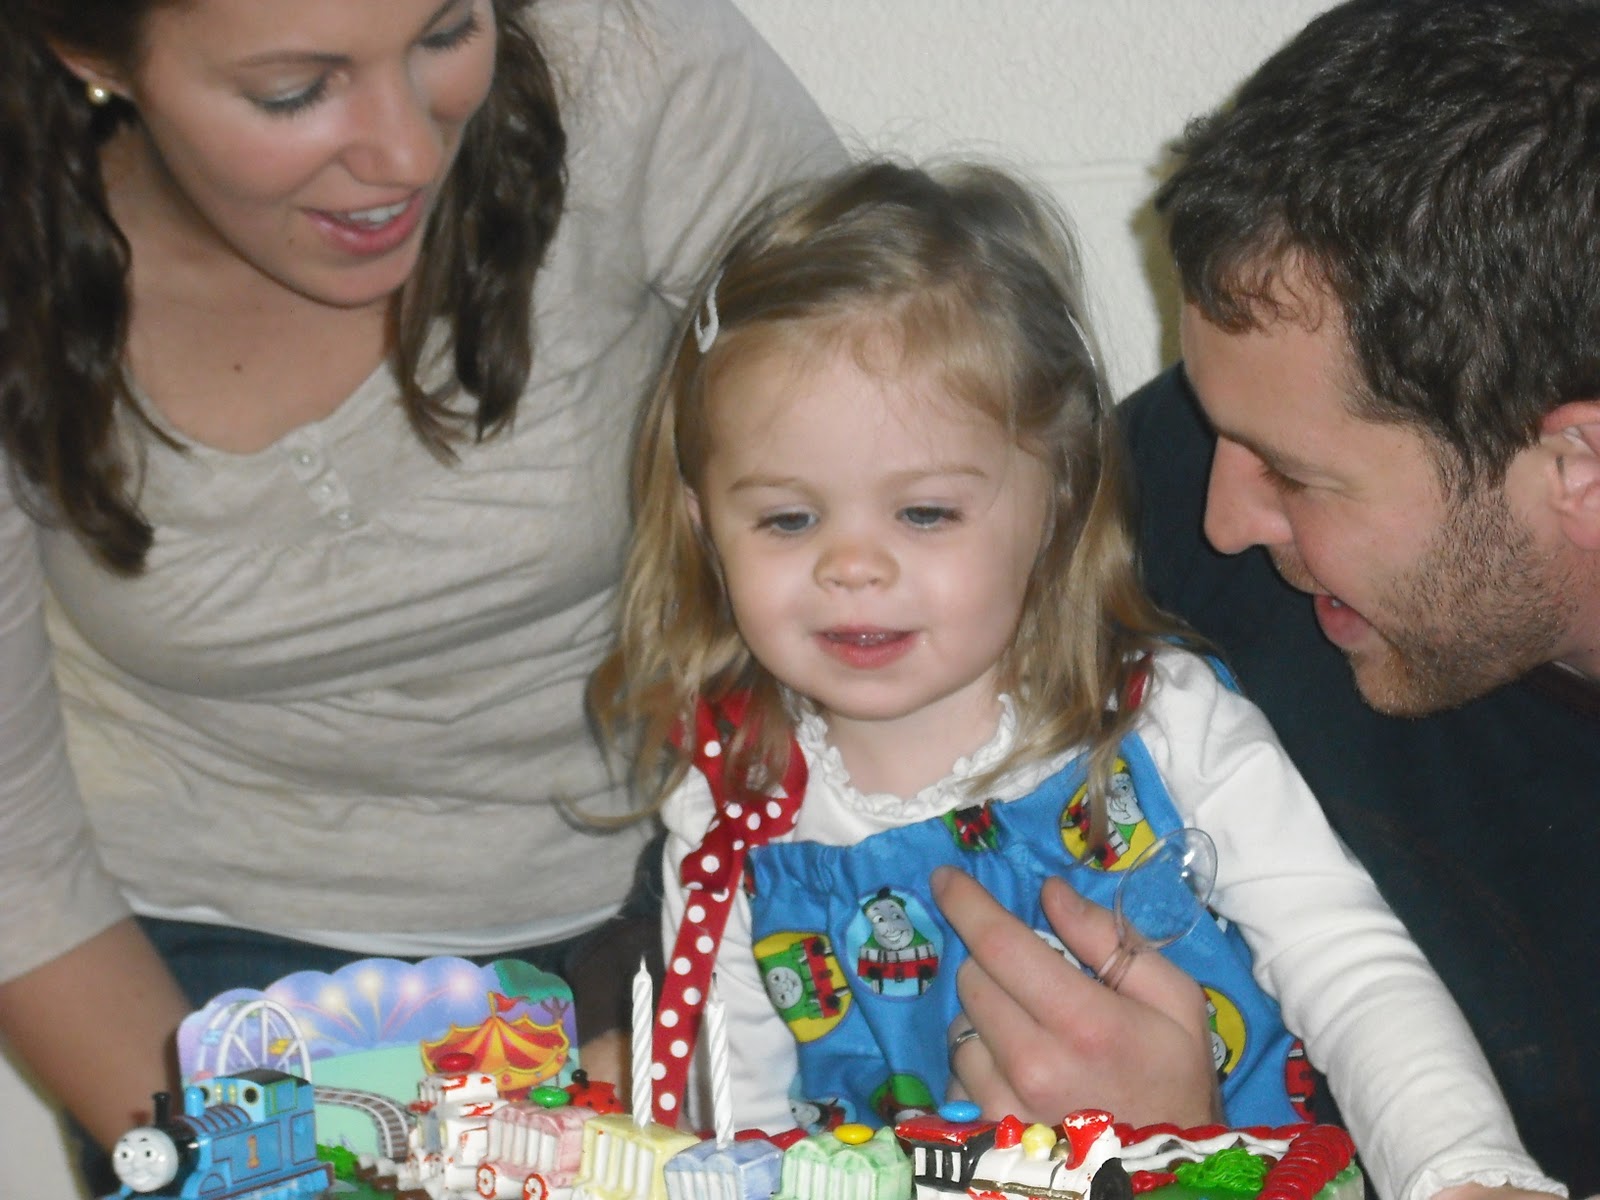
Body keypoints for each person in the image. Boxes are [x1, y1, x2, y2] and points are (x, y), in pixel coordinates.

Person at [588, 158, 1560, 1200]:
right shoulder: (729, 806)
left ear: (1055, 495)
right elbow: (743, 1128)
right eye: (787, 518)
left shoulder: (1160, 725)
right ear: (703, 523)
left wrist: (1464, 1174)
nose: (851, 567)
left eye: (924, 513)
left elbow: (1349, 964)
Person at [0, 0, 843, 1176]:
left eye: (447, 34)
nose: (405, 151)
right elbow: (19, 870)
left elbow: (919, 445)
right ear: (90, 50)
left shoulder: (625, 57)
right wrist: (251, 1161)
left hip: (702, 883)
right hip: (213, 981)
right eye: (295, 90)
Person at [1115, 0, 1600, 1192]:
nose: (1224, 520)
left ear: (1579, 467)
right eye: (1216, 426)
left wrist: (1205, 1158)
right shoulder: (1172, 501)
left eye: (1294, 474)